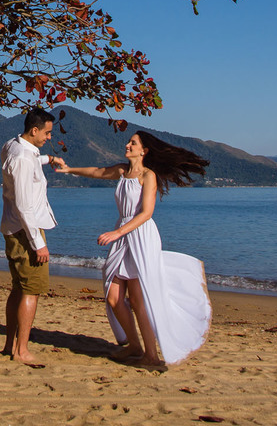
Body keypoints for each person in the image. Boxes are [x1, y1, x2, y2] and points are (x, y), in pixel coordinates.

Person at [54, 131, 210, 366]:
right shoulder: (121, 171)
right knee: (114, 297)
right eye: (129, 142)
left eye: (133, 143)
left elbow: (147, 213)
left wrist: (117, 232)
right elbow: (97, 172)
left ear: (144, 151)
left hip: (140, 236)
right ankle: (134, 346)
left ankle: (151, 355)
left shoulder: (148, 176)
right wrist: (70, 170)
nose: (127, 145)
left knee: (138, 300)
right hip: (122, 234)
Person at [0, 106, 62, 364]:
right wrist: (39, 244)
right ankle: (22, 351)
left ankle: (9, 345)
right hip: (27, 231)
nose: (49, 137)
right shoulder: (24, 159)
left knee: (18, 288)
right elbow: (25, 206)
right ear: (34, 130)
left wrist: (49, 159)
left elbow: (28, 159)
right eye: (46, 133)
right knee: (31, 291)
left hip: (13, 228)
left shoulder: (12, 145)